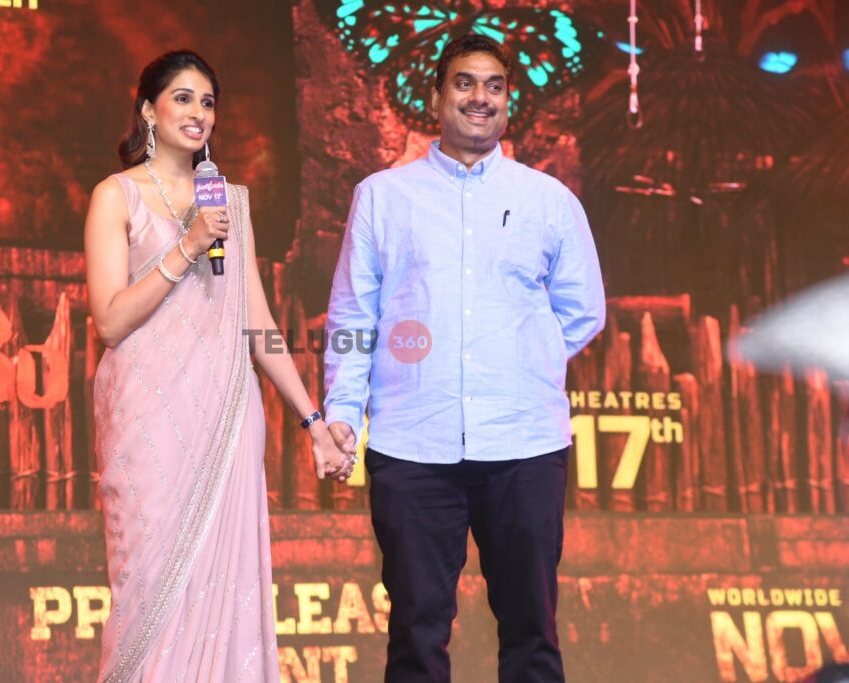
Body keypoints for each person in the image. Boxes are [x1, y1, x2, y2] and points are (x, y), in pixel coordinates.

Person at [323, 34, 606, 683]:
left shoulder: (548, 199)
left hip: (524, 444)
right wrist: (342, 411)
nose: (480, 97)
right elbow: (352, 315)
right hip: (412, 443)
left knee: (532, 632)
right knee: (416, 634)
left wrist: (519, 361)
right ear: (436, 96)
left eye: (494, 86)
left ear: (508, 100)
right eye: (464, 82)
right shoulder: (383, 196)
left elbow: (583, 309)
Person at [85, 49, 352, 682]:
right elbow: (111, 321)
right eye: (182, 98)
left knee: (226, 590)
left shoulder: (228, 201)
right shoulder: (116, 196)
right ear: (148, 110)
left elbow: (257, 322)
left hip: (226, 416)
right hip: (148, 423)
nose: (198, 112)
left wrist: (312, 420)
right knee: (149, 588)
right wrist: (187, 245)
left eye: (207, 102)